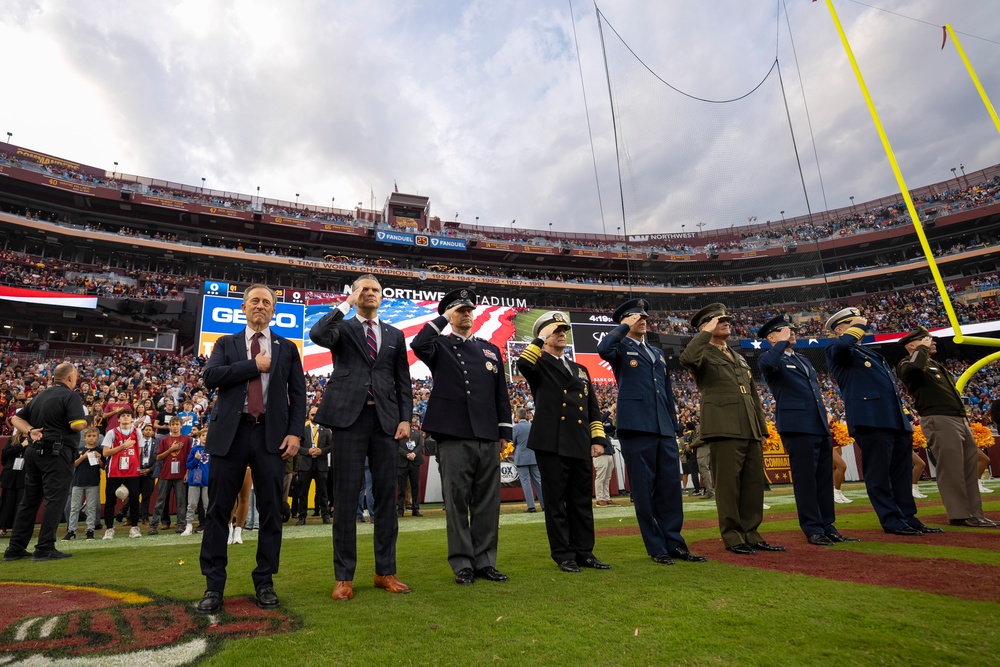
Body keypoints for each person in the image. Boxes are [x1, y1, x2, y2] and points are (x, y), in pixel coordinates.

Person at [196, 283, 306, 615]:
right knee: (218, 510)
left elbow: (298, 395)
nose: (260, 305)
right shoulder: (225, 343)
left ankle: (265, 582)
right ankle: (214, 586)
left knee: (272, 510)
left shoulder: (287, 348)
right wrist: (252, 366)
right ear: (243, 307)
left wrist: (295, 433)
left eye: (266, 302)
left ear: (274, 310)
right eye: (254, 301)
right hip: (230, 433)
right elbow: (211, 377)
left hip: (270, 434)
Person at [311, 275, 412, 600]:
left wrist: (406, 419)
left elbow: (403, 380)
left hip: (386, 422)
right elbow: (317, 334)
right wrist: (345, 305)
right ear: (354, 294)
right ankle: (344, 577)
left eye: (375, 290)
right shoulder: (342, 328)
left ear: (382, 297)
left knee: (386, 499)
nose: (370, 293)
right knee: (345, 499)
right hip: (348, 420)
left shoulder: (395, 334)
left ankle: (386, 572)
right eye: (363, 289)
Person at [411, 287, 512, 585]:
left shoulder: (489, 350)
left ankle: (485, 561)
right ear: (450, 315)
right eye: (460, 310)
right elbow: (418, 343)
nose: (466, 314)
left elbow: (500, 395)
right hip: (454, 433)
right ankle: (463, 563)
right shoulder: (440, 346)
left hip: (487, 434)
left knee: (487, 502)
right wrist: (443, 317)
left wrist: (504, 433)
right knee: (456, 502)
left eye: (469, 310)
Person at [598, 298, 707, 564]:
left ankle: (675, 543)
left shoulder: (656, 351)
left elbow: (666, 390)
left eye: (644, 316)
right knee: (644, 489)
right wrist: (624, 327)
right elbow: (603, 349)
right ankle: (656, 546)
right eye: (636, 316)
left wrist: (673, 424)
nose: (642, 320)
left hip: (663, 427)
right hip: (636, 426)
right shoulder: (620, 346)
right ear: (625, 320)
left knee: (670, 487)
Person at [825, 308, 942, 536]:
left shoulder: (868, 353)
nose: (862, 324)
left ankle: (908, 517)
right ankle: (891, 519)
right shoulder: (836, 348)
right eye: (853, 322)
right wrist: (858, 326)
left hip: (892, 418)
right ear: (840, 329)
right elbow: (842, 346)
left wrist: (904, 417)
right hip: (871, 419)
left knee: (901, 472)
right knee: (879, 473)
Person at [680, 304, 785, 555]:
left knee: (752, 484)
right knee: (728, 486)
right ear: (706, 326)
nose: (726, 323)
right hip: (723, 425)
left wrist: (761, 428)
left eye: (726, 319)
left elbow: (752, 394)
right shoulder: (702, 351)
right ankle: (733, 536)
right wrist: (705, 333)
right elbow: (687, 359)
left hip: (748, 426)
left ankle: (752, 534)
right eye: (719, 321)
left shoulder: (737, 356)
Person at [518, 311, 612, 573]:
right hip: (552, 442)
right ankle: (563, 554)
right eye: (556, 331)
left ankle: (585, 552)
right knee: (556, 502)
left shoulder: (580, 369)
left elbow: (592, 408)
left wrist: (597, 439)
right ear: (545, 336)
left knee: (581, 501)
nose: (562, 334)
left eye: (564, 331)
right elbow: (523, 364)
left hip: (579, 441)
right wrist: (539, 339)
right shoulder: (538, 364)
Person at [757, 314, 859, 546]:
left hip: (818, 423)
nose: (791, 332)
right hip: (797, 425)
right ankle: (812, 527)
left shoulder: (802, 359)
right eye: (784, 330)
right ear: (771, 338)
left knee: (823, 478)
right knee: (806, 479)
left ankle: (828, 525)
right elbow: (768, 366)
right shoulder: (770, 357)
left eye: (791, 329)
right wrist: (781, 343)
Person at [897, 326, 996, 527]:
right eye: (926, 340)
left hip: (957, 418)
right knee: (951, 469)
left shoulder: (934, 365)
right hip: (938, 418)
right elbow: (913, 370)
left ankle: (975, 514)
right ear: (912, 346)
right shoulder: (908, 363)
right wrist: (921, 350)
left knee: (969, 468)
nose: (932, 342)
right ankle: (959, 514)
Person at [4, 363, 87, 561]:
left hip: (34, 452)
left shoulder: (39, 396)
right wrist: (85, 421)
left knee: (29, 501)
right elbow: (77, 425)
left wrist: (30, 431)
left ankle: (15, 548)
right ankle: (45, 547)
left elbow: (15, 419)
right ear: (70, 377)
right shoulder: (71, 396)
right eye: (75, 376)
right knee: (54, 500)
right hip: (57, 453)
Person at [100, 408, 143, 539]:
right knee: (110, 501)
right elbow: (105, 453)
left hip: (132, 471)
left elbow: (139, 452)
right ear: (118, 419)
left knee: (134, 499)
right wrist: (123, 446)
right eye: (123, 415)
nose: (125, 417)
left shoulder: (137, 432)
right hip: (114, 471)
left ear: (132, 419)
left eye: (128, 415)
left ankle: (134, 527)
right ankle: (109, 528)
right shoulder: (112, 433)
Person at [149, 417, 190, 535]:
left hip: (181, 474)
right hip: (165, 474)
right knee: (160, 501)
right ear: (169, 426)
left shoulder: (187, 440)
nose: (175, 426)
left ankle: (181, 524)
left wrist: (187, 473)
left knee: (181, 501)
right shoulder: (164, 440)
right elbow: (158, 457)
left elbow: (189, 457)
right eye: (173, 424)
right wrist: (171, 449)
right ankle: (153, 526)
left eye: (177, 424)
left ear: (181, 425)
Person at [64, 426, 103, 540]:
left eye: (94, 436)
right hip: (77, 482)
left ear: (97, 438)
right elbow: (73, 465)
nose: (91, 438)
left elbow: (103, 466)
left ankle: (90, 530)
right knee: (74, 507)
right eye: (89, 436)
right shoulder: (79, 450)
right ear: (85, 438)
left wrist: (99, 458)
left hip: (93, 482)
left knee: (91, 508)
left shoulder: (100, 450)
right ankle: (71, 530)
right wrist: (83, 457)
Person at [297, 405, 332, 525]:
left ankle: (325, 516)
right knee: (303, 492)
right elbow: (297, 447)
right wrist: (307, 451)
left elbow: (331, 446)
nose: (315, 416)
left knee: (323, 492)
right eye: (312, 414)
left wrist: (321, 451)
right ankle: (302, 517)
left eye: (316, 414)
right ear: (308, 416)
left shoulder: (325, 430)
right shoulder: (303, 430)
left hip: (321, 464)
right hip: (306, 464)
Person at [512, 408, 544, 513]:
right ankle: (544, 505)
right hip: (533, 457)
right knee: (538, 481)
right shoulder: (532, 426)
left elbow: (513, 442)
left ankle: (531, 506)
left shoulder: (515, 428)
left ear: (517, 416)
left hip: (521, 458)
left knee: (526, 482)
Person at [0, 433, 28, 539]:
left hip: (24, 476)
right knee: (7, 502)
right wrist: (21, 446)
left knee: (21, 503)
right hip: (10, 475)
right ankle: (3, 527)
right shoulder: (12, 439)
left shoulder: (34, 440)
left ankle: (18, 529)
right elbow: (5, 455)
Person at [183, 427, 210, 535]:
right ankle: (189, 525)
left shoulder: (213, 449)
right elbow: (188, 465)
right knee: (192, 504)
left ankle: (209, 526)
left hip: (208, 480)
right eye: (203, 435)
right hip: (195, 480)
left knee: (207, 505)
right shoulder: (195, 449)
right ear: (199, 437)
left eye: (207, 435)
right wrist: (196, 459)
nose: (205, 437)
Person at [397, 416, 424, 517]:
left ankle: (415, 509)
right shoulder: (399, 432)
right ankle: (400, 510)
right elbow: (396, 446)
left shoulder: (417, 433)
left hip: (415, 462)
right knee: (401, 488)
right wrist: (406, 454)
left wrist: (413, 454)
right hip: (402, 463)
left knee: (415, 487)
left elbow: (420, 445)